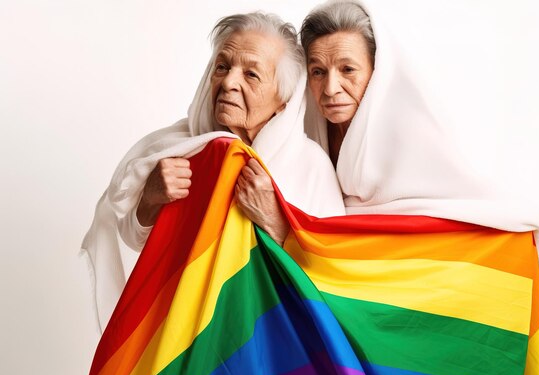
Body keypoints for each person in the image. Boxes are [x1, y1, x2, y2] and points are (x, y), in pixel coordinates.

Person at [81, 12, 345, 332]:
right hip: (180, 332)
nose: (229, 82)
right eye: (223, 66)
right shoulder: (181, 147)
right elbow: (133, 239)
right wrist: (149, 198)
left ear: (283, 99)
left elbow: (334, 275)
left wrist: (277, 223)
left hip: (269, 338)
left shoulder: (309, 164)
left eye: (251, 74)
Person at [299, 0, 539, 253]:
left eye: (348, 69)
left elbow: (463, 205)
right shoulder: (304, 135)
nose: (330, 89)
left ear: (377, 72)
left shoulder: (415, 134)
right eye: (318, 72)